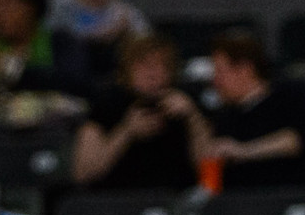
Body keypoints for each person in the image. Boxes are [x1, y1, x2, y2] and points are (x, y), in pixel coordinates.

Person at [73, 32, 207, 191]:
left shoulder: (186, 103)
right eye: (144, 65)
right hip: (116, 201)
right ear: (126, 70)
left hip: (174, 198)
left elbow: (209, 172)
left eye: (162, 65)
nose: (153, 74)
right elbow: (83, 174)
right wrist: (126, 132)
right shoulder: (107, 105)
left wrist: (192, 118)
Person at [202, 34, 305, 191]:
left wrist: (243, 151)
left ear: (245, 70)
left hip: (290, 195)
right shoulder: (226, 116)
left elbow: (297, 139)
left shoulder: (289, 97)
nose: (215, 81)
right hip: (238, 204)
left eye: (220, 72)